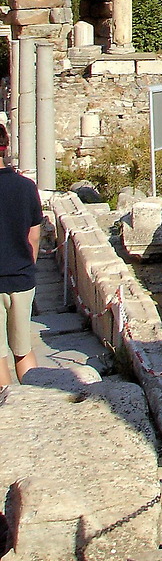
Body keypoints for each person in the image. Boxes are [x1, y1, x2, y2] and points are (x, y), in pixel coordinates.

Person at [0, 122, 42, 404]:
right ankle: (38, 403)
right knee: (23, 348)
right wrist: (29, 267)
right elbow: (34, 236)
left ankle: (9, 412)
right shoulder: (26, 187)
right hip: (22, 279)